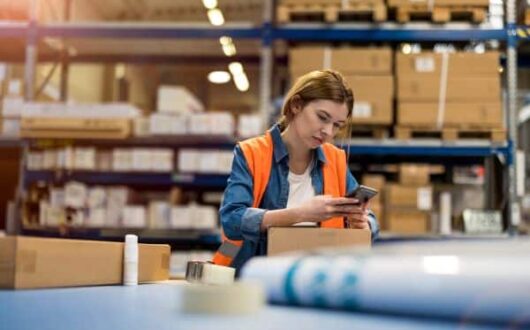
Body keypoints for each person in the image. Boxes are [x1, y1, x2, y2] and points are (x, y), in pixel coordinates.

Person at [213, 70, 379, 272]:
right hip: (256, 277)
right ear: (296, 105)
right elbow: (232, 219)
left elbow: (367, 216)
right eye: (322, 117)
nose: (328, 131)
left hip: (315, 278)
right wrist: (300, 214)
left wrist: (364, 224)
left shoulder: (335, 159)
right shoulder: (251, 153)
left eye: (337, 125)